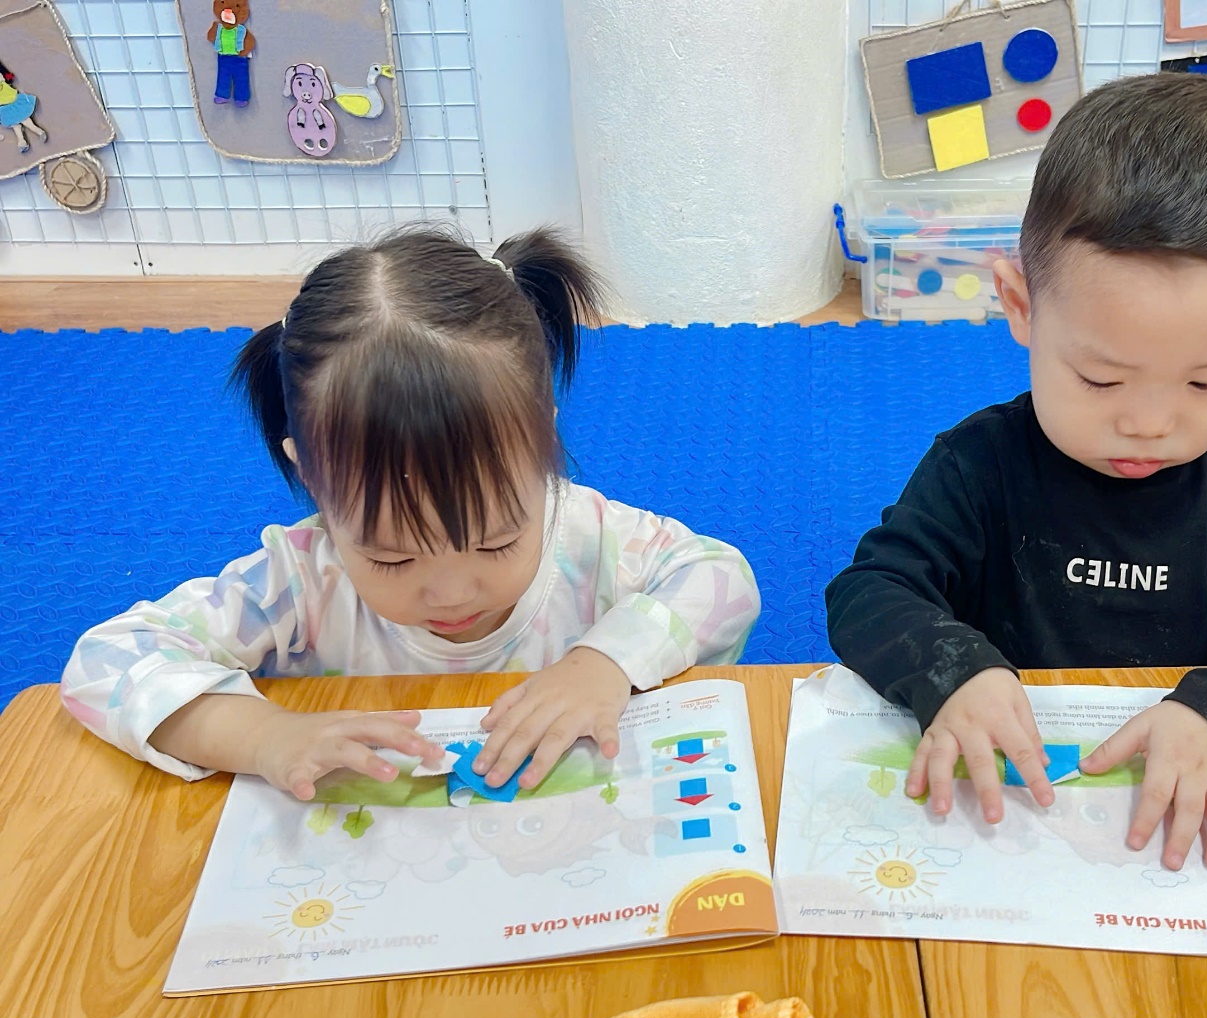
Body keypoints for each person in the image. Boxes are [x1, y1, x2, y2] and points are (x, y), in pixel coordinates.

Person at [825, 73, 1207, 873]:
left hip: (1165, 825)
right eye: (1101, 379)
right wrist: (954, 672)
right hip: (1011, 813)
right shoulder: (979, 464)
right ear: (1020, 304)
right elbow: (869, 590)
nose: (1150, 423)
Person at [62, 226, 760, 801]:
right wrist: (265, 735)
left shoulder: (588, 539)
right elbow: (105, 661)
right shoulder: (304, 580)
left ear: (545, 445)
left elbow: (722, 577)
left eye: (495, 544)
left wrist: (604, 661)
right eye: (391, 557)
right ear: (313, 479)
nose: (451, 592)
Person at [0, 61, 47, 153]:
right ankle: (22, 141)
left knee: (23, 119)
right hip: (3, 107)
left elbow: (7, 76)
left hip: (11, 99)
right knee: (14, 123)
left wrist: (8, 76)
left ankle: (37, 131)